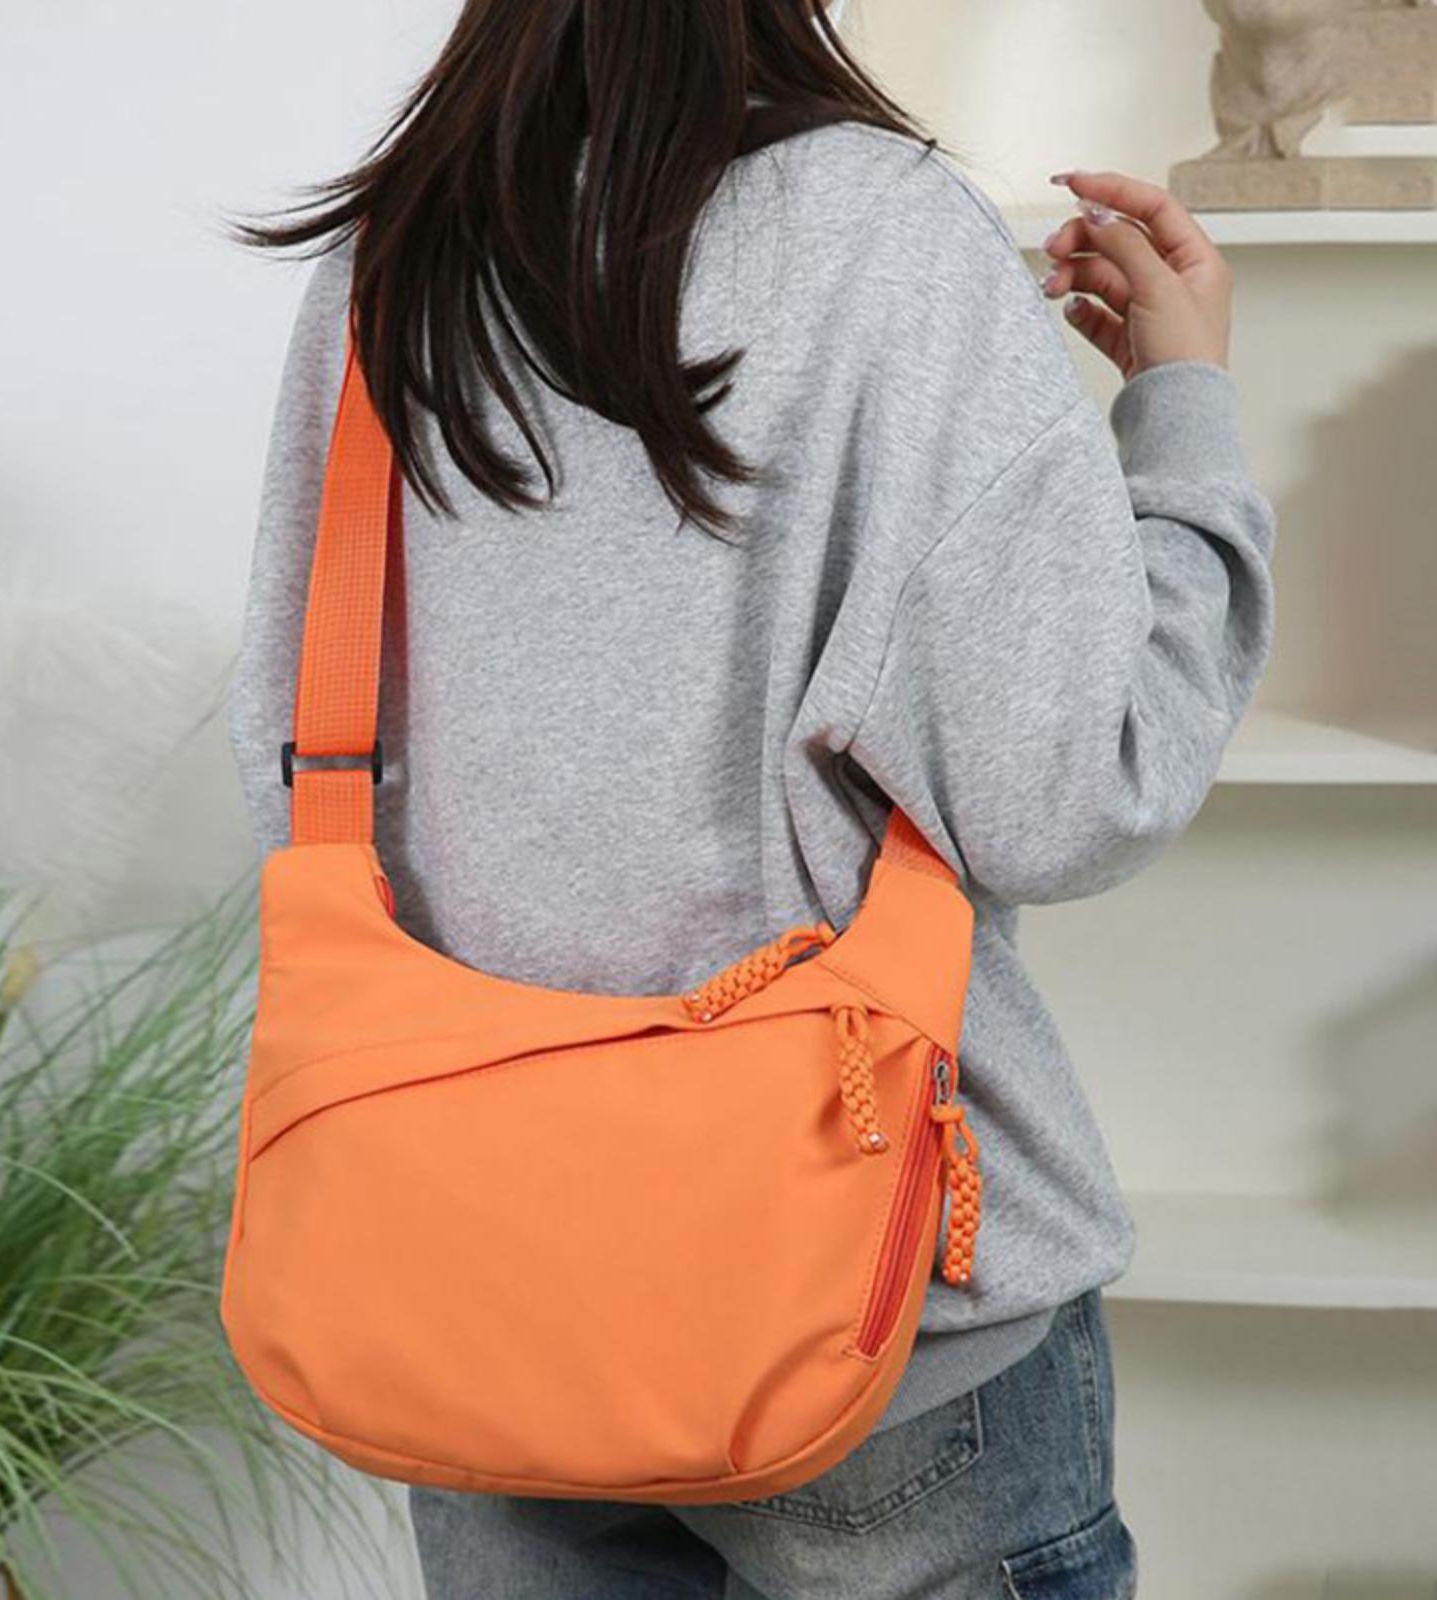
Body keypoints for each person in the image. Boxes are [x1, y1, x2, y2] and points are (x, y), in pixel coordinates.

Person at [224, 3, 1274, 1595]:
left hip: (465, 1294)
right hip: (871, 1305)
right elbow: (1066, 794)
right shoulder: (883, 232)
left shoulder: (394, 254)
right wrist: (1184, 406)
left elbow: (303, 768)